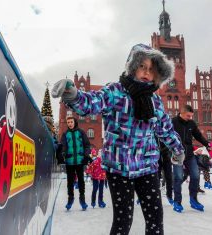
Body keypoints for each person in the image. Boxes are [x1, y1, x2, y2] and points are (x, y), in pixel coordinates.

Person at [52, 43, 185, 235]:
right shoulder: (115, 92)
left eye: (151, 69)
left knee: (156, 221)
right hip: (118, 167)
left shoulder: (155, 101)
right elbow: (91, 103)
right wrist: (73, 95)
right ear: (133, 66)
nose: (147, 72)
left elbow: (165, 128)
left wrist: (178, 148)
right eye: (142, 66)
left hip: (147, 166)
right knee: (123, 222)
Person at [171, 104, 212, 212]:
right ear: (182, 112)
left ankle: (193, 200)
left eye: (191, 116)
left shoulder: (191, 123)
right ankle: (177, 202)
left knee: (195, 175)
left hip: (189, 154)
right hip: (176, 154)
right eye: (188, 116)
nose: (190, 118)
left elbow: (198, 135)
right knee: (178, 178)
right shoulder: (173, 122)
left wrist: (207, 144)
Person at [60, 115, 91, 211]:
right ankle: (70, 199)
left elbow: (87, 145)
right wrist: (63, 154)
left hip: (80, 161)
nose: (69, 124)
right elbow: (62, 146)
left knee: (81, 181)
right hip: (69, 162)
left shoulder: (81, 132)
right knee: (70, 182)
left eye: (71, 122)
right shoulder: (65, 134)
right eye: (68, 122)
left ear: (75, 122)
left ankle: (82, 200)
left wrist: (86, 156)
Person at [157, 139, 174, 205]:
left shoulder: (166, 133)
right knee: (156, 178)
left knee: (169, 177)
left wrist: (160, 151)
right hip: (156, 159)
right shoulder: (153, 133)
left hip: (166, 158)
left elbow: (170, 145)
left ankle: (169, 196)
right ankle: (155, 196)